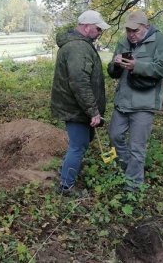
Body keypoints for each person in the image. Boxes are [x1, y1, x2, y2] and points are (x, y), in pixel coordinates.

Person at [107, 10, 163, 192]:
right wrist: (115, 64)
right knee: (114, 137)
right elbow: (113, 73)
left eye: (135, 31)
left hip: (144, 103)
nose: (131, 34)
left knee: (137, 147)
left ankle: (132, 186)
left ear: (147, 27)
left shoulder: (160, 41)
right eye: (128, 30)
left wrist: (138, 66)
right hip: (123, 101)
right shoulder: (123, 41)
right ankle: (127, 169)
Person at [50, 10, 110, 195]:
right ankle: (66, 186)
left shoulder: (79, 44)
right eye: (98, 28)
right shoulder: (78, 48)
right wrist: (93, 111)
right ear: (86, 27)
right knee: (78, 145)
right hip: (76, 108)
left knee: (83, 142)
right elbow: (79, 82)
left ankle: (66, 171)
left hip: (77, 106)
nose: (100, 32)